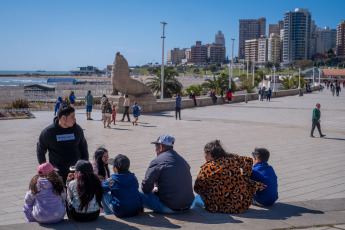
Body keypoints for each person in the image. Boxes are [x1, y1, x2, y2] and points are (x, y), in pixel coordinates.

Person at [192, 140, 266, 214]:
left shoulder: (207, 168)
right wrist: (244, 179)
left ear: (210, 154)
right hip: (242, 204)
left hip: (218, 206)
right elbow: (249, 161)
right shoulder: (232, 157)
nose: (204, 155)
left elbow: (197, 189)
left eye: (205, 153)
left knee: (197, 198)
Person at [140, 134, 194, 214]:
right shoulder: (182, 160)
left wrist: (153, 187)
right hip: (187, 206)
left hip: (170, 207)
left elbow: (145, 188)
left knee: (136, 194)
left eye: (156, 147)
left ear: (161, 147)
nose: (155, 150)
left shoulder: (157, 161)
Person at [37, 105, 89, 183]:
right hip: (57, 175)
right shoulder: (48, 133)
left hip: (75, 173)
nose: (75, 119)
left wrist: (84, 167)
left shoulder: (77, 129)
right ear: (63, 118)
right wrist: (45, 170)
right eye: (72, 117)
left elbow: (83, 147)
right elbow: (40, 151)